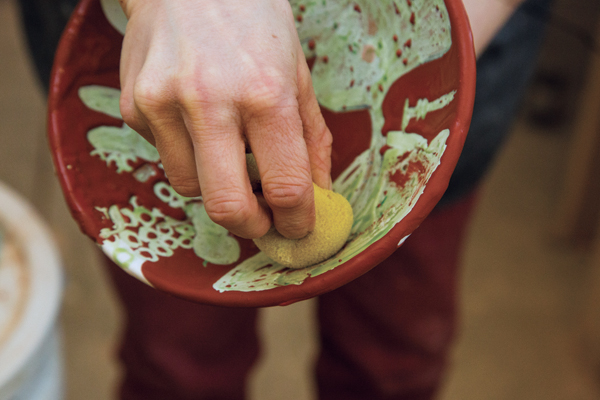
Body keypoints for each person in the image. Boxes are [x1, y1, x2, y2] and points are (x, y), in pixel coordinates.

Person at [18, 0, 553, 398]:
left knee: (390, 362)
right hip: (162, 57)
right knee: (178, 368)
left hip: (433, 72)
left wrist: (432, 36)